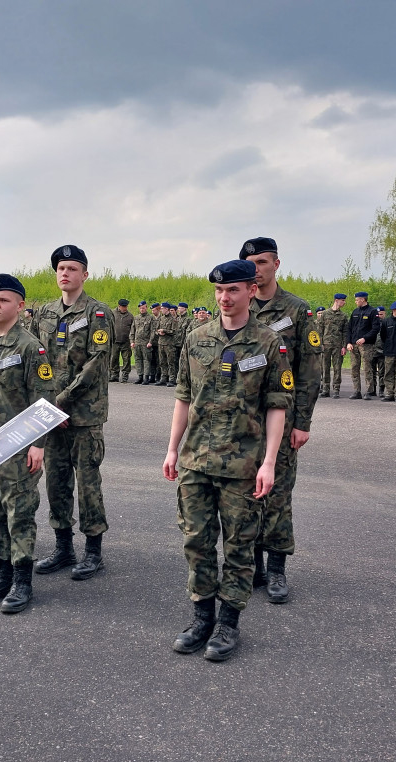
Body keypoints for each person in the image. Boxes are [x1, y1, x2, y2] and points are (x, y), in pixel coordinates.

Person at [163, 259, 291, 661]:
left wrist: (269, 461)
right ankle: (202, 618)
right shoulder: (196, 338)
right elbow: (183, 397)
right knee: (197, 542)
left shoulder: (269, 343)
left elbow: (276, 405)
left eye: (233, 289)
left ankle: (228, 624)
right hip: (196, 461)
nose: (224, 297)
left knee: (239, 546)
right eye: (219, 291)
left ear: (252, 291)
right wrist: (171, 449)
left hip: (243, 465)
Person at [0, 274, 56, 612]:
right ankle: (0, 573)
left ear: (20, 305)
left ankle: (22, 581)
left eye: (3, 300)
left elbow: (44, 399)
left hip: (18, 446)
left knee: (19, 511)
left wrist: (38, 444)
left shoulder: (31, 347)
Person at [240, 237, 321, 602]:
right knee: (245, 493)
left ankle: (276, 570)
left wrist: (302, 421)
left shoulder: (297, 310)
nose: (256, 268)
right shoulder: (239, 306)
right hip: (243, 422)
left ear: (276, 264)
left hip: (283, 421)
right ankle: (252, 566)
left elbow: (309, 371)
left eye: (261, 261)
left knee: (277, 494)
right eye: (249, 262)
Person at [33, 245, 113, 581]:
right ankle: (63, 547)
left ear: (85, 274)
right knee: (56, 482)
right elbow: (38, 358)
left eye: (72, 268)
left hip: (83, 414)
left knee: (88, 483)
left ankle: (93, 552)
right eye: (61, 268)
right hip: (51, 414)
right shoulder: (45, 313)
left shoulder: (97, 313)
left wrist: (61, 399)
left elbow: (97, 363)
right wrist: (45, 400)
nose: (65, 273)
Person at [345, 291, 380, 399]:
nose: (356, 302)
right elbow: (349, 328)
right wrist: (348, 342)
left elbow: (375, 328)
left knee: (367, 368)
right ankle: (357, 391)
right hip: (354, 345)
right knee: (354, 368)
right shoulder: (355, 312)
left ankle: (369, 391)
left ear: (363, 299)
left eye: (357, 300)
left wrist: (365, 338)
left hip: (366, 345)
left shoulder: (372, 312)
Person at [318, 293, 348, 397]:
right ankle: (325, 389)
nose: (344, 302)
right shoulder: (325, 314)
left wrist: (344, 346)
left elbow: (345, 332)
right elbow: (320, 330)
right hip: (326, 344)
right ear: (336, 300)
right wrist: (320, 343)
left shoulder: (343, 316)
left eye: (344, 301)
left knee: (337, 368)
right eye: (342, 300)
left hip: (338, 345)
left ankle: (336, 389)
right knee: (325, 367)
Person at [130, 300, 154, 384]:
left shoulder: (150, 318)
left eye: (143, 308)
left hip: (145, 342)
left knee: (146, 360)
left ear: (146, 308)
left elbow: (152, 331)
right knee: (138, 359)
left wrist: (150, 341)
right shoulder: (136, 318)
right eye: (140, 308)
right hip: (137, 342)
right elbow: (133, 330)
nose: (142, 310)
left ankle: (146, 377)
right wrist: (132, 341)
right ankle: (140, 376)